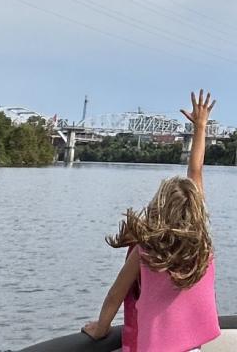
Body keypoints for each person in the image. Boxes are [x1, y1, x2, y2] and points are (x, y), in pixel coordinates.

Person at [82, 91, 220, 352]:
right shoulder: (202, 247)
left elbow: (115, 294)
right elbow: (196, 172)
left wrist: (101, 328)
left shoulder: (146, 252)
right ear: (196, 210)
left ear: (159, 208)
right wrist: (200, 127)